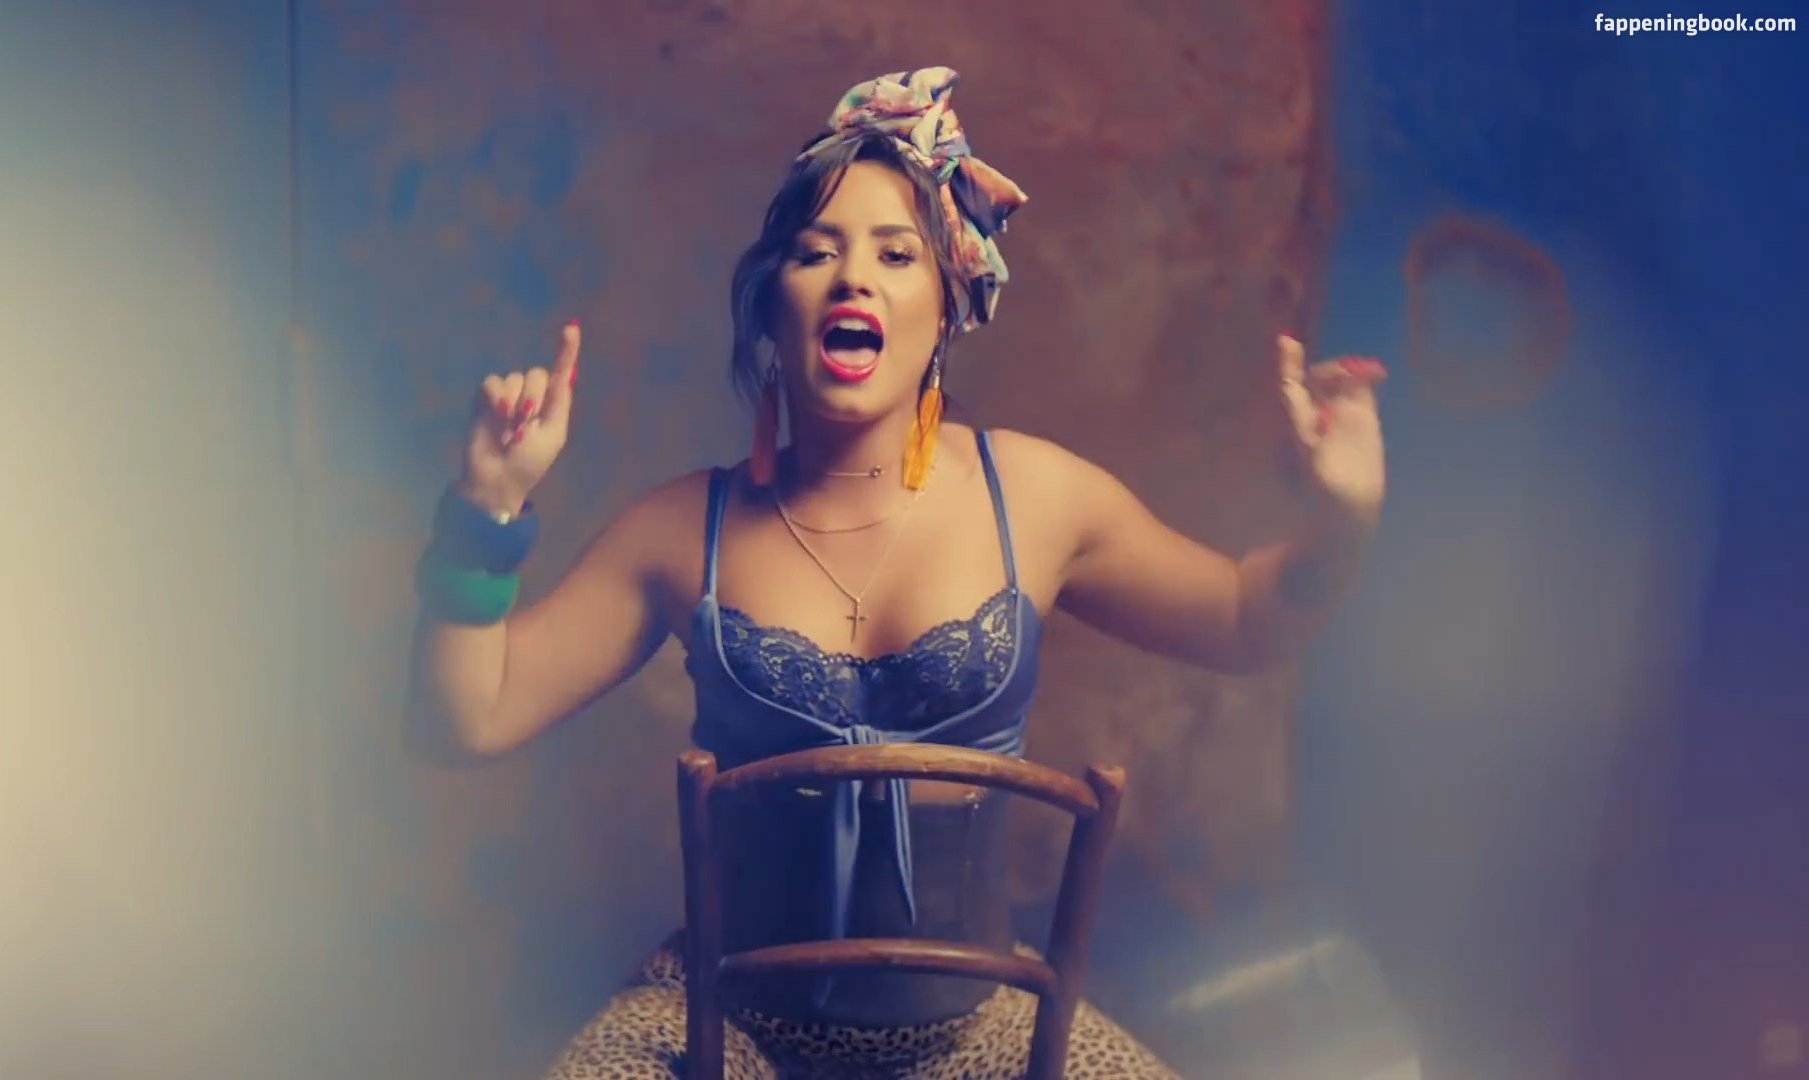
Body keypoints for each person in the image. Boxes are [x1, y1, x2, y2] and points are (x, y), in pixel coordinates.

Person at [408, 67, 1385, 1079]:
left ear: (948, 301)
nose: (852, 279)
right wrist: (486, 510)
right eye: (815, 252)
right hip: (720, 1024)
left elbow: (1245, 617)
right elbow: (466, 720)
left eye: (896, 252)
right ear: (772, 309)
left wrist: (1345, 519)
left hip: (979, 1026)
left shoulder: (1038, 497)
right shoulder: (679, 530)